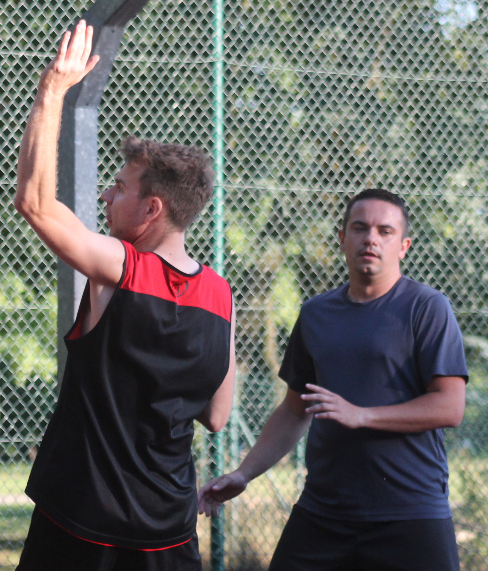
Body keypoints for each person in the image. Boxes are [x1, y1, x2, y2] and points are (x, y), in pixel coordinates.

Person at [13, 20, 236, 571]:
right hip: (169, 533)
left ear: (153, 209)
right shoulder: (219, 294)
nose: (108, 195)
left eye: (119, 188)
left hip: (86, 526)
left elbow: (36, 205)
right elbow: (218, 414)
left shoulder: (122, 270)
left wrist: (53, 90)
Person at [199, 189, 468, 571]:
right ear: (342, 238)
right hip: (323, 513)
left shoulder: (427, 308)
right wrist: (244, 473)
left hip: (409, 513)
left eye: (385, 231)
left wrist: (363, 415)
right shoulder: (315, 313)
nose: (371, 238)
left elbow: (450, 406)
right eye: (360, 228)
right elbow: (295, 411)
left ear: (403, 246)